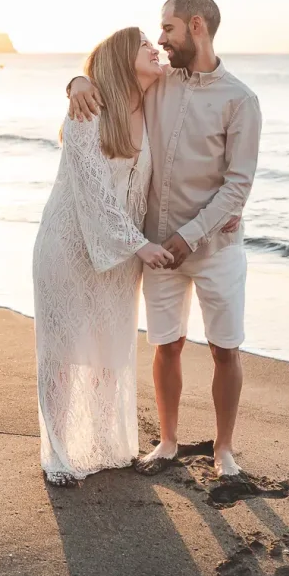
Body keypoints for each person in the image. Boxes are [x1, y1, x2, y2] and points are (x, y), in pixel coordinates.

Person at [69, 0, 262, 478]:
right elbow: (109, 77)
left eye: (168, 29)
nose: (160, 40)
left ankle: (223, 450)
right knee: (167, 344)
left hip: (215, 248)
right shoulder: (159, 82)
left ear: (196, 26)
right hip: (158, 248)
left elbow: (237, 185)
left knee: (225, 349)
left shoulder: (241, 100)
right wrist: (74, 82)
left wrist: (191, 235)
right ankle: (170, 442)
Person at [32, 27, 175, 487]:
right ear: (120, 58)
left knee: (111, 348)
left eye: (157, 41)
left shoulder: (155, 106)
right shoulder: (88, 111)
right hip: (68, 245)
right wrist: (141, 244)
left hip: (121, 252)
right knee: (62, 350)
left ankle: (103, 445)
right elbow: (94, 193)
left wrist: (76, 77)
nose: (155, 47)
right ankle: (57, 453)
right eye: (144, 44)